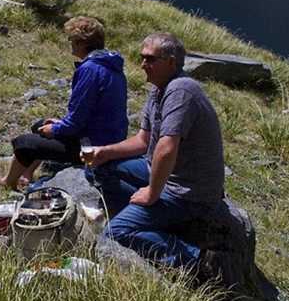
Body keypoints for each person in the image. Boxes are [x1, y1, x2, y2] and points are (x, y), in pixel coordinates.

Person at [86, 32, 225, 268]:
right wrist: (104, 152)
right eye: (142, 58)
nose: (143, 65)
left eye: (150, 59)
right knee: (97, 168)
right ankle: (144, 217)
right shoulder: (158, 90)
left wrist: (151, 193)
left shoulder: (181, 90)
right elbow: (144, 140)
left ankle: (193, 258)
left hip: (188, 192)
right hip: (162, 173)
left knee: (115, 233)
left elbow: (167, 149)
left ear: (171, 62)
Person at [2, 16, 128, 190]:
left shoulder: (90, 69)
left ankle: (8, 184)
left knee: (24, 143)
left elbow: (77, 121)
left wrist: (56, 128)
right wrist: (59, 124)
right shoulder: (110, 66)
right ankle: (27, 173)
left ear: (81, 42)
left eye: (72, 39)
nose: (70, 43)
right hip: (107, 137)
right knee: (41, 125)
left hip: (91, 147)